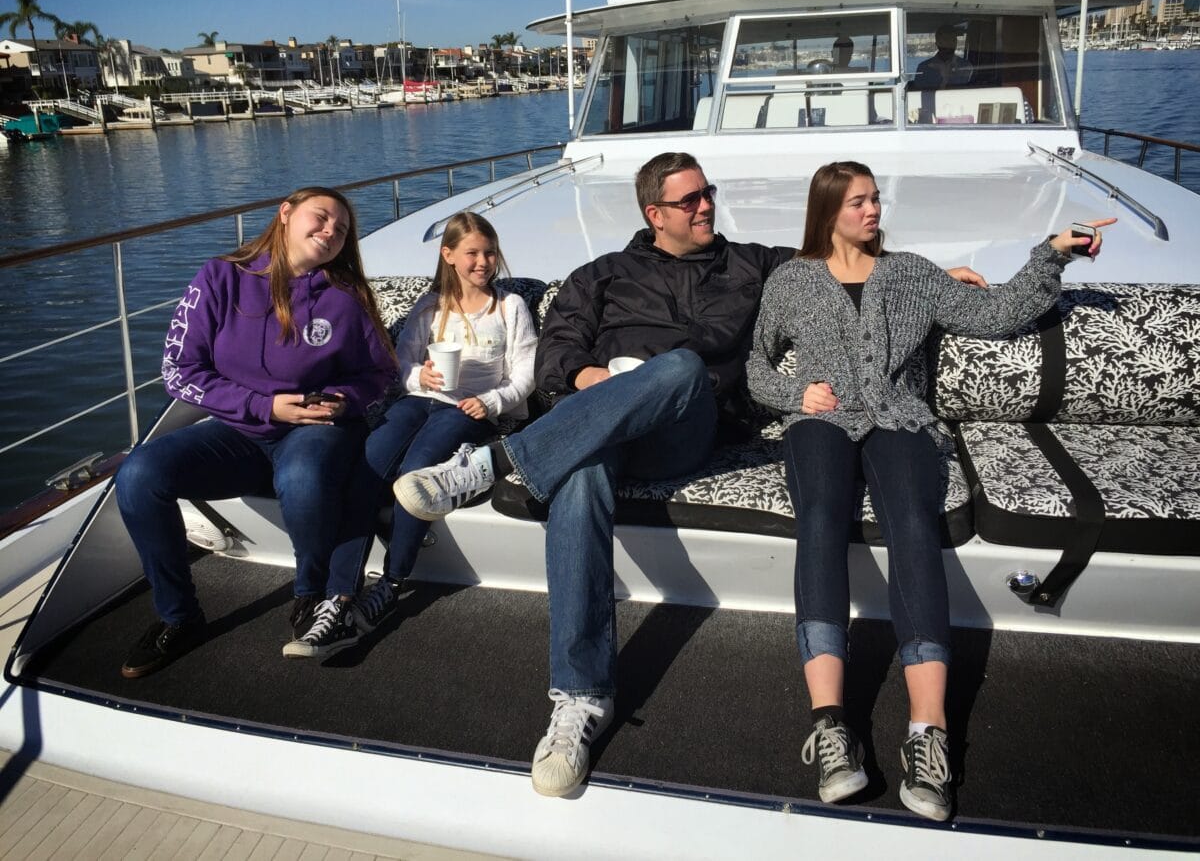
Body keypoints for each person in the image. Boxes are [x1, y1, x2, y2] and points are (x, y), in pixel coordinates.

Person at [392, 153, 987, 798]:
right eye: (690, 200)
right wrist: (591, 377)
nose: (707, 206)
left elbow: (839, 255)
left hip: (689, 428)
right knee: (580, 475)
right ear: (655, 214)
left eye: (708, 193)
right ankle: (580, 700)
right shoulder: (600, 275)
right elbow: (559, 350)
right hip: (604, 426)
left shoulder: (752, 264)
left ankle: (496, 463)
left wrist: (929, 278)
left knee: (678, 368)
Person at [746, 159, 1115, 821]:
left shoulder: (913, 274)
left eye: (875, 199)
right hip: (820, 421)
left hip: (901, 420)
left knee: (914, 527)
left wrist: (1053, 253)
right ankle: (831, 727)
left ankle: (928, 732)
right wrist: (796, 392)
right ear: (828, 212)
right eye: (858, 202)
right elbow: (757, 365)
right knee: (821, 522)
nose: (873, 210)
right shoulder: (791, 281)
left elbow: (997, 314)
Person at [115, 186, 397, 678]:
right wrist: (261, 405)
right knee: (139, 475)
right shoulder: (221, 277)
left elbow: (380, 374)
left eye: (342, 229)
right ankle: (179, 617)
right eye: (321, 217)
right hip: (239, 429)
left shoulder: (346, 296)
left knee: (303, 477)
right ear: (285, 213)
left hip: (316, 428)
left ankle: (310, 593)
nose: (331, 231)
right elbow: (179, 370)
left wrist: (342, 400)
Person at [282, 211, 537, 658]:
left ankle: (392, 583)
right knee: (366, 471)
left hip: (470, 409)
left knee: (415, 475)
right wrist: (423, 376)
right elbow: (400, 366)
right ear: (448, 255)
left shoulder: (509, 306)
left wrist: (491, 401)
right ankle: (339, 596)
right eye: (472, 253)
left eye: (490, 252)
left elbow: (526, 374)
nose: (483, 262)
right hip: (419, 402)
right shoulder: (431, 306)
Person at [913, 24, 974, 90]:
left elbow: (970, 92)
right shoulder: (923, 68)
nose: (950, 43)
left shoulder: (966, 66)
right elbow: (918, 93)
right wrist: (944, 79)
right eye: (945, 40)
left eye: (953, 40)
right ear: (937, 43)